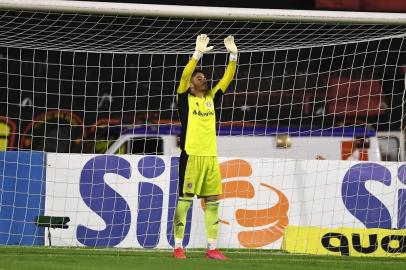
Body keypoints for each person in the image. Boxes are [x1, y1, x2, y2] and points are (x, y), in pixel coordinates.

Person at [173, 34, 238, 260]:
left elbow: (226, 80)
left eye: (204, 77)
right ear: (191, 85)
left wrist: (233, 56)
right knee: (185, 201)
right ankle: (178, 247)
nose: (203, 79)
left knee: (212, 202)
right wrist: (197, 55)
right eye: (199, 77)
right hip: (191, 156)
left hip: (211, 157)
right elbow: (183, 76)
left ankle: (212, 248)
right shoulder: (185, 99)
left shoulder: (212, 98)